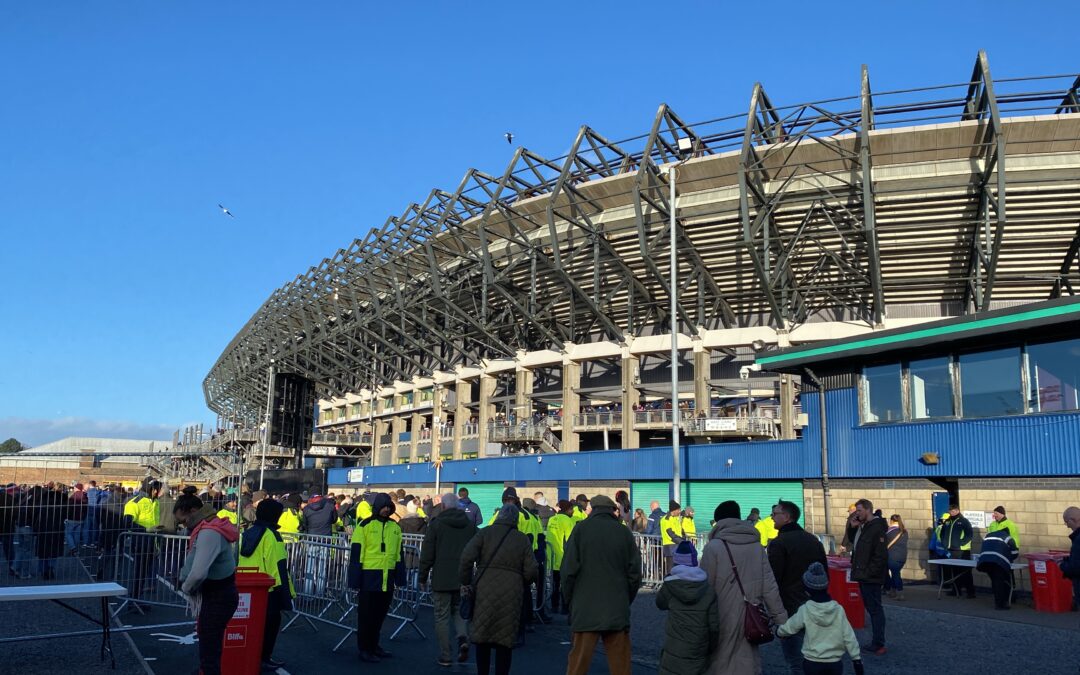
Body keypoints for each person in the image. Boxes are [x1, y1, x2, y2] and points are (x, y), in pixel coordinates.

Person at [701, 500, 787, 675]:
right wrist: (781, 619)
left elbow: (704, 587)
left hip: (721, 614)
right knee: (747, 658)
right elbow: (769, 585)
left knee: (720, 659)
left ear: (719, 521)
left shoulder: (714, 547)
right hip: (752, 614)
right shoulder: (756, 546)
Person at [561, 495, 641, 675]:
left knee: (578, 665)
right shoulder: (623, 533)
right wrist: (625, 599)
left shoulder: (581, 529)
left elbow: (568, 571)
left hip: (585, 608)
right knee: (620, 665)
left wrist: (570, 602)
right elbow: (635, 574)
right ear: (612, 510)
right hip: (616, 608)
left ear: (594, 509)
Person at [459, 503, 537, 675]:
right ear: (515, 520)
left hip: (484, 588)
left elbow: (466, 557)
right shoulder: (521, 539)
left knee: (482, 636)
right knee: (505, 640)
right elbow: (531, 570)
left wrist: (466, 581)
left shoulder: (485, 533)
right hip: (512, 592)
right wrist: (521, 581)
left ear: (499, 516)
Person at [175, 492, 239, 675]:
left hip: (217, 596)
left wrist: (185, 587)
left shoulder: (209, 533)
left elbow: (199, 571)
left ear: (193, 511)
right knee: (210, 647)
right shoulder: (209, 528)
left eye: (183, 520)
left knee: (210, 650)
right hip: (219, 594)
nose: (183, 525)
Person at [768, 500, 827, 675]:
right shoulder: (813, 540)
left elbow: (774, 579)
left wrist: (772, 609)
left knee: (795, 660)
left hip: (790, 607)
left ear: (787, 517)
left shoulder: (779, 543)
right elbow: (824, 573)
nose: (771, 518)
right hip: (814, 604)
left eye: (775, 514)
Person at [420, 493, 477, 667]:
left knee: (442, 616)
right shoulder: (469, 525)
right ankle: (463, 638)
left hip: (442, 576)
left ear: (443, 506)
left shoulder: (436, 525)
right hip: (463, 577)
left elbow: (428, 553)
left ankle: (446, 655)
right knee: (459, 612)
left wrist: (423, 576)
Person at [776, 562, 864, 675]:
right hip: (834, 663)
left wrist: (779, 632)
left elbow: (790, 627)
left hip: (812, 662)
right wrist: (856, 659)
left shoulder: (806, 609)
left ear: (808, 590)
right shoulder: (838, 609)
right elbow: (849, 636)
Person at [238, 497, 294, 670]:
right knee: (269, 627)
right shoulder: (272, 536)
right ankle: (264, 658)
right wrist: (286, 594)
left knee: (249, 627)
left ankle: (248, 656)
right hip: (268, 588)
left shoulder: (248, 532)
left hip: (246, 585)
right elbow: (278, 566)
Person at [348, 493, 403, 663]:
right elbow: (356, 553)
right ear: (377, 507)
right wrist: (355, 579)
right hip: (369, 576)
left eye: (388, 506)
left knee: (380, 615)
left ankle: (374, 645)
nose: (386, 509)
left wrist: (401, 577)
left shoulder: (395, 527)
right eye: (383, 506)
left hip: (388, 576)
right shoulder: (365, 525)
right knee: (366, 616)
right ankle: (364, 648)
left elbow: (399, 554)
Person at [655, 541, 718, 675]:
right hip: (698, 646)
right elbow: (714, 626)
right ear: (695, 562)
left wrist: (668, 579)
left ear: (676, 562)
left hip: (674, 644)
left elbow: (660, 604)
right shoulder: (708, 589)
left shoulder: (671, 585)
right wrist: (712, 646)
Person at [849, 498, 888, 655]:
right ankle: (877, 642)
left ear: (867, 510)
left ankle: (878, 643)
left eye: (859, 511)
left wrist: (868, 573)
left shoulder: (876, 528)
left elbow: (880, 556)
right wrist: (853, 527)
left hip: (870, 576)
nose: (857, 514)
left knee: (875, 609)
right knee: (872, 608)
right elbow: (854, 542)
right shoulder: (864, 527)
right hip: (863, 574)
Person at [976, 524, 1019, 610]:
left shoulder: (988, 535)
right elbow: (1014, 553)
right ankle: (1000, 604)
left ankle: (1002, 600)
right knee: (999, 582)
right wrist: (1009, 559)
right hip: (998, 562)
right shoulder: (1008, 537)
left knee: (995, 581)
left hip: (984, 561)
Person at [546, 499, 576, 614]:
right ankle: (564, 607)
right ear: (567, 509)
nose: (572, 511)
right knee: (565, 585)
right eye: (571, 509)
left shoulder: (552, 519)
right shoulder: (568, 521)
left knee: (554, 583)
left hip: (551, 556)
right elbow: (570, 540)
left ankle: (554, 606)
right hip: (563, 557)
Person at [939, 503, 975, 599]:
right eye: (950, 511)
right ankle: (956, 590)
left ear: (958, 511)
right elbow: (942, 533)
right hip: (951, 550)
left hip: (962, 551)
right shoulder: (947, 521)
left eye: (954, 510)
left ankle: (970, 592)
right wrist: (944, 543)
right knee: (954, 571)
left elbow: (969, 534)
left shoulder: (963, 521)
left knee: (965, 572)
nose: (952, 512)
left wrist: (961, 543)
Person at [1057, 506, 1080, 609]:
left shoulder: (1078, 540)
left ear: (1073, 520)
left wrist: (1061, 565)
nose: (1067, 526)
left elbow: (1076, 567)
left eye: (1066, 522)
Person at [885, 514, 908, 600]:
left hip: (892, 556)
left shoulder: (889, 531)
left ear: (891, 521)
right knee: (895, 573)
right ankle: (893, 591)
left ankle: (900, 593)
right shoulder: (904, 531)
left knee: (896, 574)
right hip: (902, 556)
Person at [660, 500, 685, 574]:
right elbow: (670, 533)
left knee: (677, 567)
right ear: (674, 510)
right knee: (671, 568)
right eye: (678, 510)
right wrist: (682, 541)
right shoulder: (666, 519)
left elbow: (680, 531)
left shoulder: (676, 518)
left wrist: (683, 538)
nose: (679, 511)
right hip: (670, 546)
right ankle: (670, 582)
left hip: (676, 545)